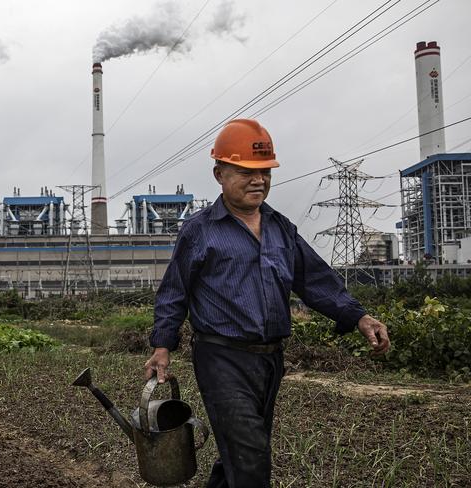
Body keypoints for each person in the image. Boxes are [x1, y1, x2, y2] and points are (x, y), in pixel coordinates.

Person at [144, 119, 390, 488]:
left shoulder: (281, 228)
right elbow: (174, 291)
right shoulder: (200, 230)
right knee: (250, 455)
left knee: (237, 457)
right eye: (246, 171)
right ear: (220, 174)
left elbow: (316, 280)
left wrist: (359, 317)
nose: (258, 180)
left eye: (264, 171)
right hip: (221, 357)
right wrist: (162, 345)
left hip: (270, 360)